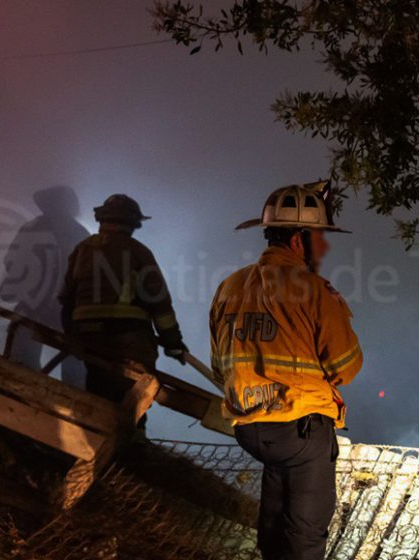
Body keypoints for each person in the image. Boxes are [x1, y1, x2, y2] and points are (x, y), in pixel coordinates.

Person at [210, 181, 363, 560]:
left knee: (275, 528)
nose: (324, 247)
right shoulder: (312, 289)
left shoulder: (229, 286)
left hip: (249, 428)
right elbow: (347, 367)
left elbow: (219, 366)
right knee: (304, 537)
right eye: (319, 237)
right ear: (298, 240)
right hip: (301, 431)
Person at [59, 194, 187, 426]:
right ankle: (132, 445)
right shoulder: (138, 252)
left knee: (98, 385)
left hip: (88, 336)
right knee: (134, 393)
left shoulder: (82, 250)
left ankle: (94, 434)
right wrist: (173, 342)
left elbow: (66, 298)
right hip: (128, 338)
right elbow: (159, 304)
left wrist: (73, 334)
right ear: (132, 223)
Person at [0, 185, 90, 384]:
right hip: (44, 308)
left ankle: (69, 395)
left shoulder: (79, 236)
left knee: (75, 354)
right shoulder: (78, 234)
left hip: (63, 311)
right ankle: (25, 386)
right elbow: (13, 262)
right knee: (24, 351)